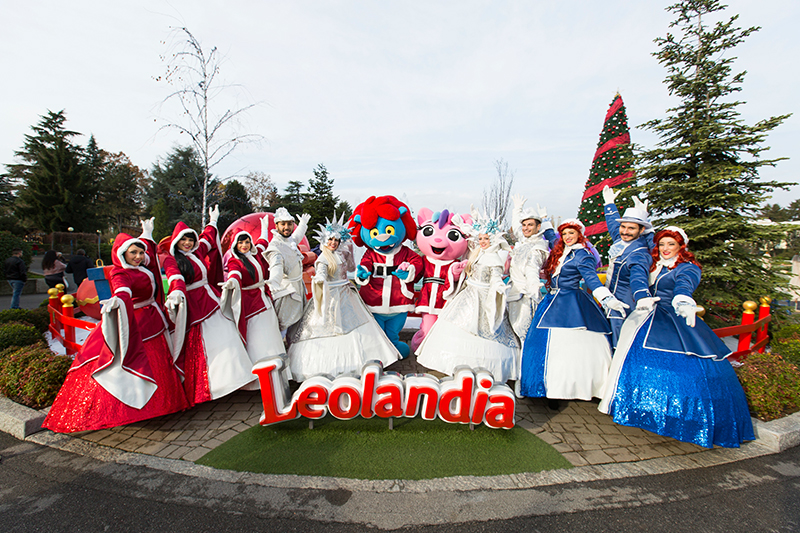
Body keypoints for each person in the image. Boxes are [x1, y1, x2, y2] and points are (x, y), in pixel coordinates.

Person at [599, 227, 754, 448]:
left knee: (683, 367)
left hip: (673, 319)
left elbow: (684, 287)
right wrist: (641, 296)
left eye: (671, 244)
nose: (665, 249)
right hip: (644, 318)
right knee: (634, 363)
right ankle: (639, 410)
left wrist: (683, 302)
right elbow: (638, 281)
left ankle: (682, 420)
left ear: (681, 246)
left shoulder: (687, 268)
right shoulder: (654, 264)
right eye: (662, 244)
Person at [43, 219, 189, 433]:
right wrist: (119, 300)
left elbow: (152, 259)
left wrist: (147, 234)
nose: (138, 257)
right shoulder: (121, 272)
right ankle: (132, 409)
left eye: (140, 253)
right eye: (133, 253)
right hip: (136, 322)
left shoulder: (145, 267)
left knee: (160, 363)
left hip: (154, 320)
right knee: (133, 362)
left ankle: (166, 404)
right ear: (123, 255)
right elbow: (122, 289)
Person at [519, 219, 628, 408]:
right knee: (542, 345)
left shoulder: (583, 255)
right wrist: (545, 223)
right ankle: (547, 389)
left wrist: (605, 298)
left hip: (572, 302)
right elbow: (552, 237)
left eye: (572, 233)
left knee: (573, 347)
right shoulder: (560, 252)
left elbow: (592, 280)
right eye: (565, 234)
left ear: (580, 234)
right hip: (551, 300)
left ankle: (573, 388)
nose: (568, 237)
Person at [287, 215, 400, 381]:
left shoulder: (340, 253)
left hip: (346, 293)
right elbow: (321, 273)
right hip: (331, 299)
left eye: (336, 240)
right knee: (334, 330)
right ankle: (334, 368)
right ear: (325, 241)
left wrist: (350, 252)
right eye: (330, 239)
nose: (333, 242)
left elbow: (352, 268)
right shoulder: (323, 258)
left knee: (357, 326)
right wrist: (319, 279)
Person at [416, 211, 520, 383]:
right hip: (469, 295)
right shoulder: (478, 254)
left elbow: (495, 275)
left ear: (493, 239)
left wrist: (498, 285)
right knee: (455, 325)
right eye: (481, 239)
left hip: (484, 298)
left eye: (486, 239)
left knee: (482, 332)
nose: (483, 242)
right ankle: (452, 366)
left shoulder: (494, 258)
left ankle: (482, 368)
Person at [168, 206, 256, 406]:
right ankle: (210, 387)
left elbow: (207, 238)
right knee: (205, 346)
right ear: (176, 242)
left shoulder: (197, 251)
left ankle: (235, 380)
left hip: (211, 299)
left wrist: (213, 221)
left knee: (228, 336)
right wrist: (175, 291)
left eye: (190, 239)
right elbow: (175, 278)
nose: (188, 243)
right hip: (194, 305)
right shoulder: (172, 260)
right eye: (184, 240)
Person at [219, 221, 287, 385]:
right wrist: (232, 282)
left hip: (265, 299)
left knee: (272, 335)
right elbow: (234, 273)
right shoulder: (235, 261)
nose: (244, 245)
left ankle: (279, 374)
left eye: (247, 241)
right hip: (251, 305)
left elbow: (263, 242)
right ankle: (260, 378)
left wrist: (264, 228)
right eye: (241, 242)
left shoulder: (256, 254)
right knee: (258, 337)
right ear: (235, 245)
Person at [601, 186, 654, 348]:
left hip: (624, 306)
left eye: (631, 228)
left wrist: (642, 297)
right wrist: (609, 204)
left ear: (642, 230)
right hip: (609, 300)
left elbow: (638, 278)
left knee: (619, 346)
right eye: (623, 226)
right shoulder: (621, 241)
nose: (625, 231)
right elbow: (612, 225)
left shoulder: (639, 253)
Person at [507, 195, 552, 344]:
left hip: (525, 297)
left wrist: (532, 285)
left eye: (530, 225)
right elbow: (516, 227)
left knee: (523, 335)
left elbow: (533, 267)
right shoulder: (525, 240)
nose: (526, 228)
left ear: (538, 227)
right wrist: (517, 209)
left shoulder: (538, 247)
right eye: (524, 225)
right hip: (512, 294)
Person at [265, 207, 311, 332]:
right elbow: (276, 266)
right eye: (283, 224)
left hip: (298, 289)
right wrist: (274, 280)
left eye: (290, 224)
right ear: (276, 225)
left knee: (298, 327)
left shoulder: (288, 240)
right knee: (284, 327)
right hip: (287, 293)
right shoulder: (275, 246)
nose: (287, 227)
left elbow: (296, 237)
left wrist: (302, 224)